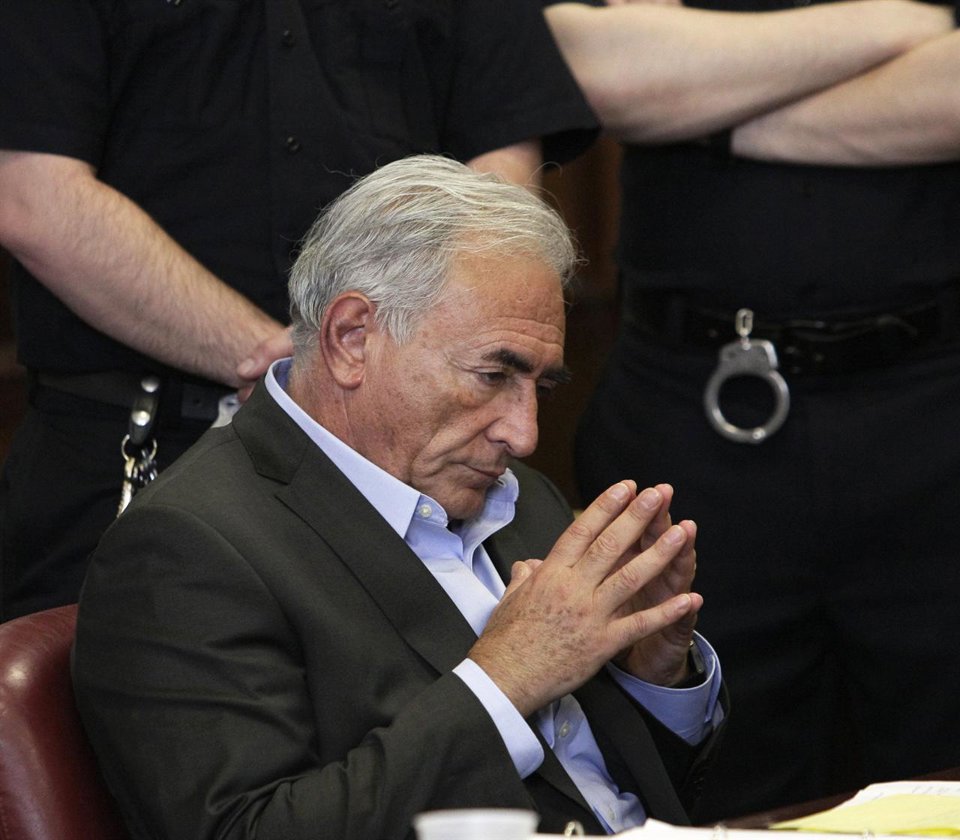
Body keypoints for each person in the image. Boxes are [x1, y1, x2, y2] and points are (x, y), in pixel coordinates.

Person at [543, 0, 960, 821]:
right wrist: (913, 19)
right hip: (693, 417)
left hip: (958, 412)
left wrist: (708, 114)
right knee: (705, 796)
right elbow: (599, 68)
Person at [71, 155, 726, 840]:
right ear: (353, 339)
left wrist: (652, 673)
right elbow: (248, 831)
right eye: (493, 375)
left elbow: (612, 795)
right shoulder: (188, 548)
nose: (525, 434)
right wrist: (507, 677)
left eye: (541, 387)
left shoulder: (517, 497)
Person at [0, 0, 597, 621]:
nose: (526, 433)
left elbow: (498, 192)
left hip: (407, 461)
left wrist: (363, 358)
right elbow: (33, 193)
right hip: (125, 440)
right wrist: (302, 365)